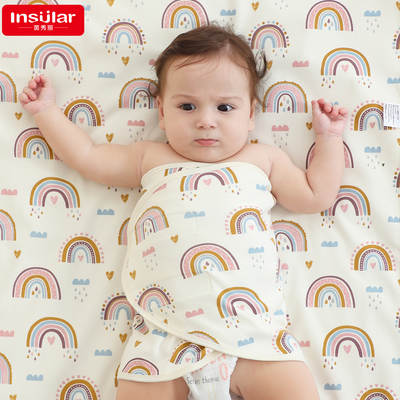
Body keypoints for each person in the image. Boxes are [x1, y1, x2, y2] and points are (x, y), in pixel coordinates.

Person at [20, 25, 348, 400]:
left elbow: (315, 195)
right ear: (162, 112)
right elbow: (88, 157)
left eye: (225, 107)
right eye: (187, 106)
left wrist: (329, 139)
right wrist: (46, 112)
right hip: (163, 337)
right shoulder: (150, 158)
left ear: (251, 114)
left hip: (252, 335)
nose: (205, 120)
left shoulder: (263, 160)